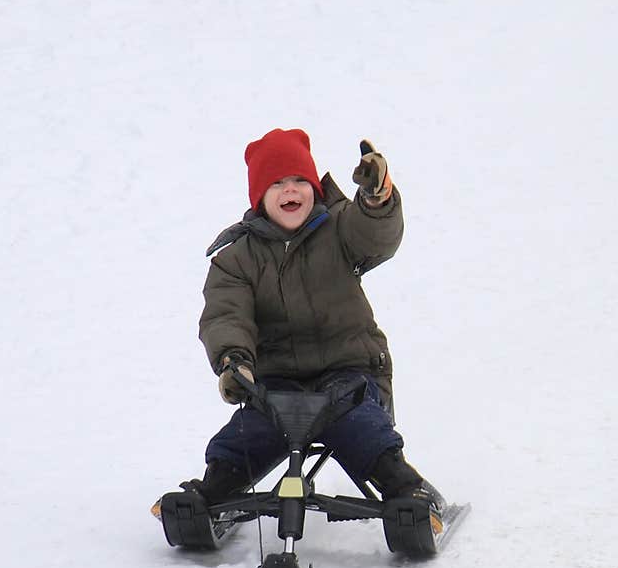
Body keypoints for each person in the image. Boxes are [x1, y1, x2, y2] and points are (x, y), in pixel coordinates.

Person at [182, 128, 435, 505]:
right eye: (278, 183)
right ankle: (211, 494)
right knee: (245, 437)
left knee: (362, 430)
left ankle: (406, 489)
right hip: (275, 384)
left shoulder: (339, 228)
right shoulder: (236, 260)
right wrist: (234, 362)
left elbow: (376, 236)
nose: (291, 190)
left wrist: (376, 197)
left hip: (349, 373)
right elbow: (225, 314)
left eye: (300, 180)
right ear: (259, 197)